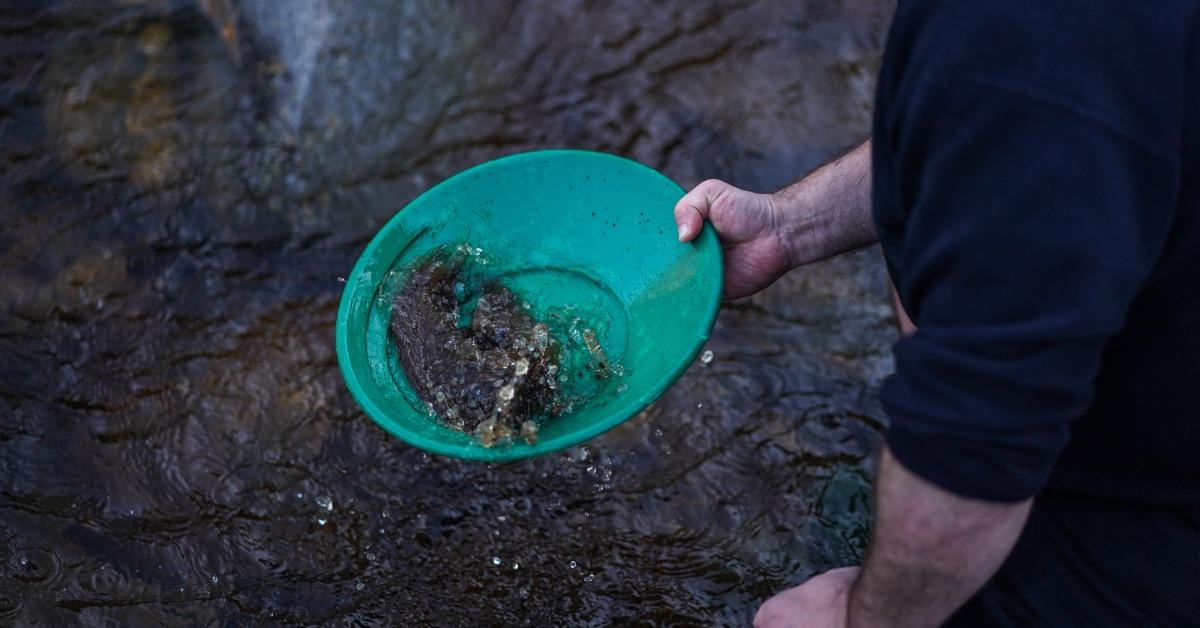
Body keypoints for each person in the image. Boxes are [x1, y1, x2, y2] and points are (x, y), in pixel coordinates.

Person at [674, 2, 1200, 625]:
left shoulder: (1024, 41)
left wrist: (860, 620)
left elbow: (979, 432)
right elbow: (990, 134)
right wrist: (791, 225)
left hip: (1139, 540)